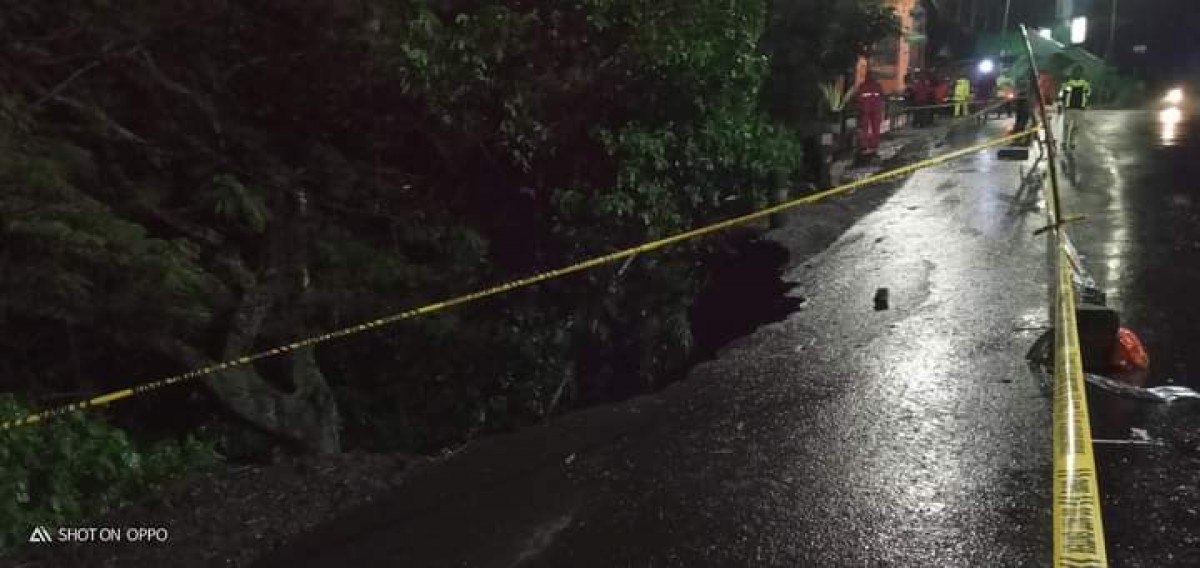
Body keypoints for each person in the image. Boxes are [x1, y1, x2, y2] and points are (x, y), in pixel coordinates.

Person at [1059, 66, 1092, 150]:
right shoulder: (1069, 83)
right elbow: (1064, 94)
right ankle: (1064, 141)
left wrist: (1087, 99)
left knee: (1076, 126)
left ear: (1081, 73)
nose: (1077, 73)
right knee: (1066, 125)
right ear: (1073, 73)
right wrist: (1062, 104)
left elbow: (1088, 94)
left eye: (1079, 71)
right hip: (1069, 107)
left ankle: (1072, 142)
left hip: (1080, 108)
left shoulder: (1085, 83)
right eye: (1076, 71)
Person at [856, 72, 885, 155]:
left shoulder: (863, 86)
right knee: (875, 128)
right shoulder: (878, 86)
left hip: (866, 110)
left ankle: (865, 145)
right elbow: (882, 98)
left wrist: (860, 108)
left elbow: (858, 98)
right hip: (875, 110)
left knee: (865, 128)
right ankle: (873, 145)